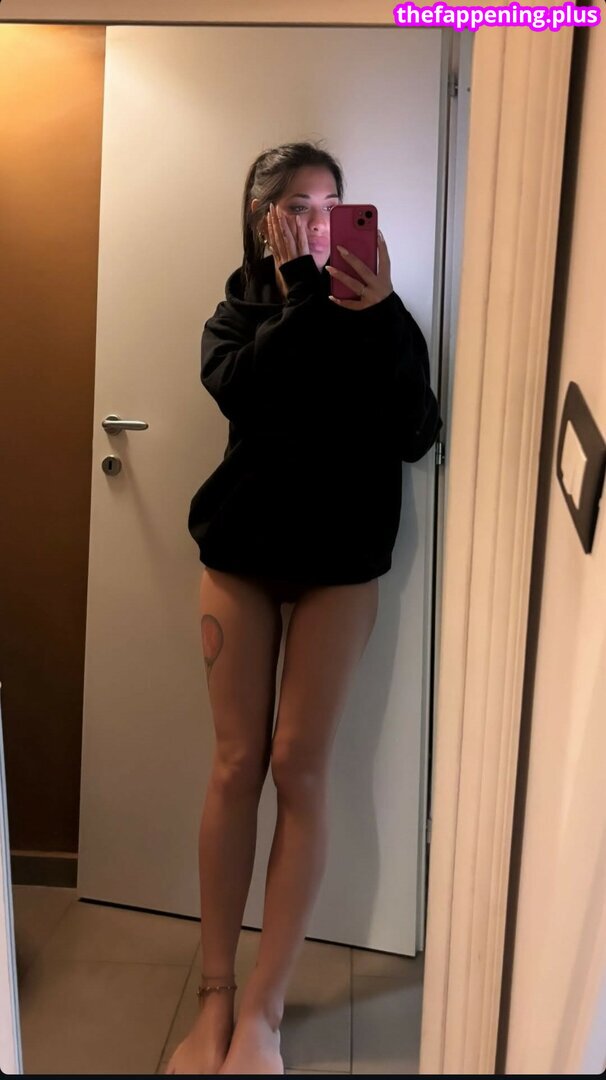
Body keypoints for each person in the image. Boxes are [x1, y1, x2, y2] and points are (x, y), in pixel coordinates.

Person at [166, 142, 436, 1075]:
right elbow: (243, 391)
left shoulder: (381, 310)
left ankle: (264, 1015)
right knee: (235, 763)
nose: (321, 222)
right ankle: (216, 999)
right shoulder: (238, 312)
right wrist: (300, 298)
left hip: (342, 562)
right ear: (263, 219)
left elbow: (417, 433)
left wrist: (382, 313)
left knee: (299, 769)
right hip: (240, 551)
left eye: (333, 206)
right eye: (300, 207)